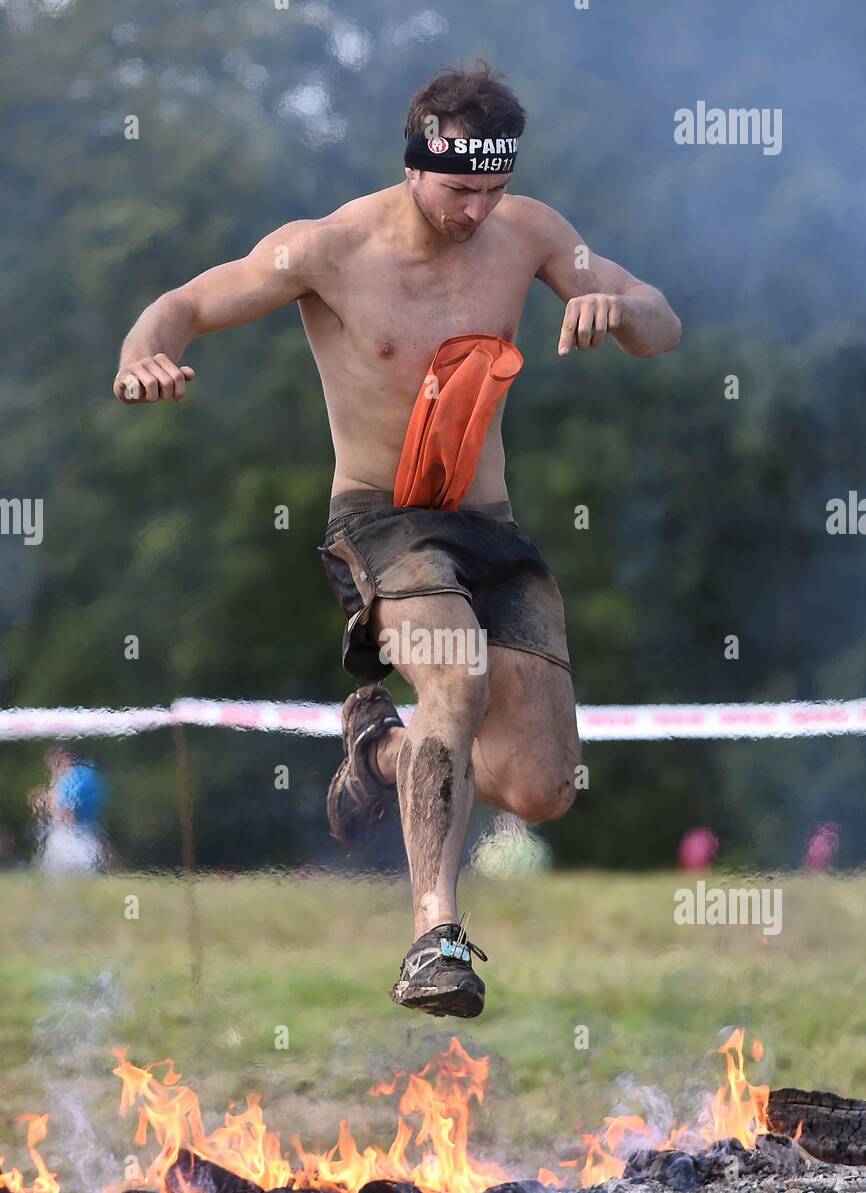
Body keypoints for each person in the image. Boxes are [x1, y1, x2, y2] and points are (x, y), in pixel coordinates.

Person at [113, 61, 680, 1018]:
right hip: (380, 521)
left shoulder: (528, 233)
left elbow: (662, 323)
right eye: (460, 189)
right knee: (455, 680)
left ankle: (380, 749)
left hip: (488, 528)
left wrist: (615, 310)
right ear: (415, 162)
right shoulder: (328, 250)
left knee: (543, 787)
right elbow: (188, 304)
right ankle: (434, 939)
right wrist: (144, 355)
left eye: (493, 189)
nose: (476, 211)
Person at [30, 745, 107, 875]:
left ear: (62, 759)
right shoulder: (85, 775)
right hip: (87, 835)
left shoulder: (72, 779)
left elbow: (67, 815)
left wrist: (46, 804)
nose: (52, 769)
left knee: (58, 878)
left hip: (72, 838)